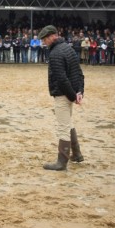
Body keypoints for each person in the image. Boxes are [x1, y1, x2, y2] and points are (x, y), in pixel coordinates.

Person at [38, 25, 85, 171]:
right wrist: (79, 93)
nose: (44, 42)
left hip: (62, 95)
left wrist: (72, 96)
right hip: (71, 93)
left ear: (52, 36)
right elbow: (79, 73)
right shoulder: (68, 48)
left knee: (63, 127)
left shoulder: (55, 54)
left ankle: (61, 162)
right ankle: (76, 154)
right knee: (68, 123)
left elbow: (62, 79)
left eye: (45, 39)